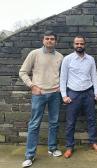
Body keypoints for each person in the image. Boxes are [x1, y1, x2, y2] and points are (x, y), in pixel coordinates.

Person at [19, 31, 63, 167]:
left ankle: (52, 148)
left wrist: (61, 86)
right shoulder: (35, 54)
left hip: (55, 94)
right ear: (43, 40)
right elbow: (22, 72)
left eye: (52, 39)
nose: (49, 41)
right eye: (47, 38)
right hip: (39, 94)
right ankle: (29, 156)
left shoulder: (60, 56)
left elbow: (64, 74)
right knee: (34, 124)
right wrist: (32, 86)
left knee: (54, 122)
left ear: (56, 41)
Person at [60, 35, 97, 158]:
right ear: (73, 45)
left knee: (91, 120)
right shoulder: (67, 59)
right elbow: (63, 78)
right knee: (70, 122)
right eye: (77, 44)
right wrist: (64, 95)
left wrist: (96, 92)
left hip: (88, 93)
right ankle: (69, 147)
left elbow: (94, 76)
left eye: (81, 44)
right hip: (73, 94)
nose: (79, 46)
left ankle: (93, 142)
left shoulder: (90, 59)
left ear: (85, 44)